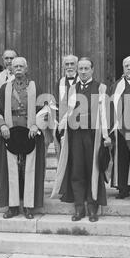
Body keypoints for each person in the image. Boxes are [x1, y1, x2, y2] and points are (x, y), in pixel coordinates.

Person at [51, 57, 111, 222]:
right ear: (77, 70)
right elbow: (68, 112)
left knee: (93, 169)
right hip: (75, 134)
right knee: (77, 170)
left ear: (92, 70)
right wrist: (61, 129)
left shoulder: (101, 88)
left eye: (86, 68)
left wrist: (106, 136)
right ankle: (79, 207)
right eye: (81, 69)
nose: (83, 72)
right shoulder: (72, 89)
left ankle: (92, 207)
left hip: (93, 135)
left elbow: (104, 113)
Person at [0, 57, 46, 219]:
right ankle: (13, 206)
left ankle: (29, 206)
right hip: (10, 132)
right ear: (11, 68)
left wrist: (36, 125)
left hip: (30, 132)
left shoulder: (36, 87)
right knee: (10, 170)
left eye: (21, 66)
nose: (18, 69)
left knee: (30, 169)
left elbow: (45, 108)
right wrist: (2, 126)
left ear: (26, 68)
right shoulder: (4, 88)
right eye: (15, 66)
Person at [109, 56, 130, 199]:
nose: (129, 68)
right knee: (122, 158)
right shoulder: (117, 85)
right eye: (126, 65)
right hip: (121, 127)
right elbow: (110, 106)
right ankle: (123, 188)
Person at [54, 55, 79, 158]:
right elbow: (56, 104)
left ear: (77, 65)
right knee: (64, 155)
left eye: (72, 64)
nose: (69, 66)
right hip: (63, 125)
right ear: (63, 66)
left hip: (79, 124)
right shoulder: (59, 82)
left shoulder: (82, 81)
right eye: (67, 64)